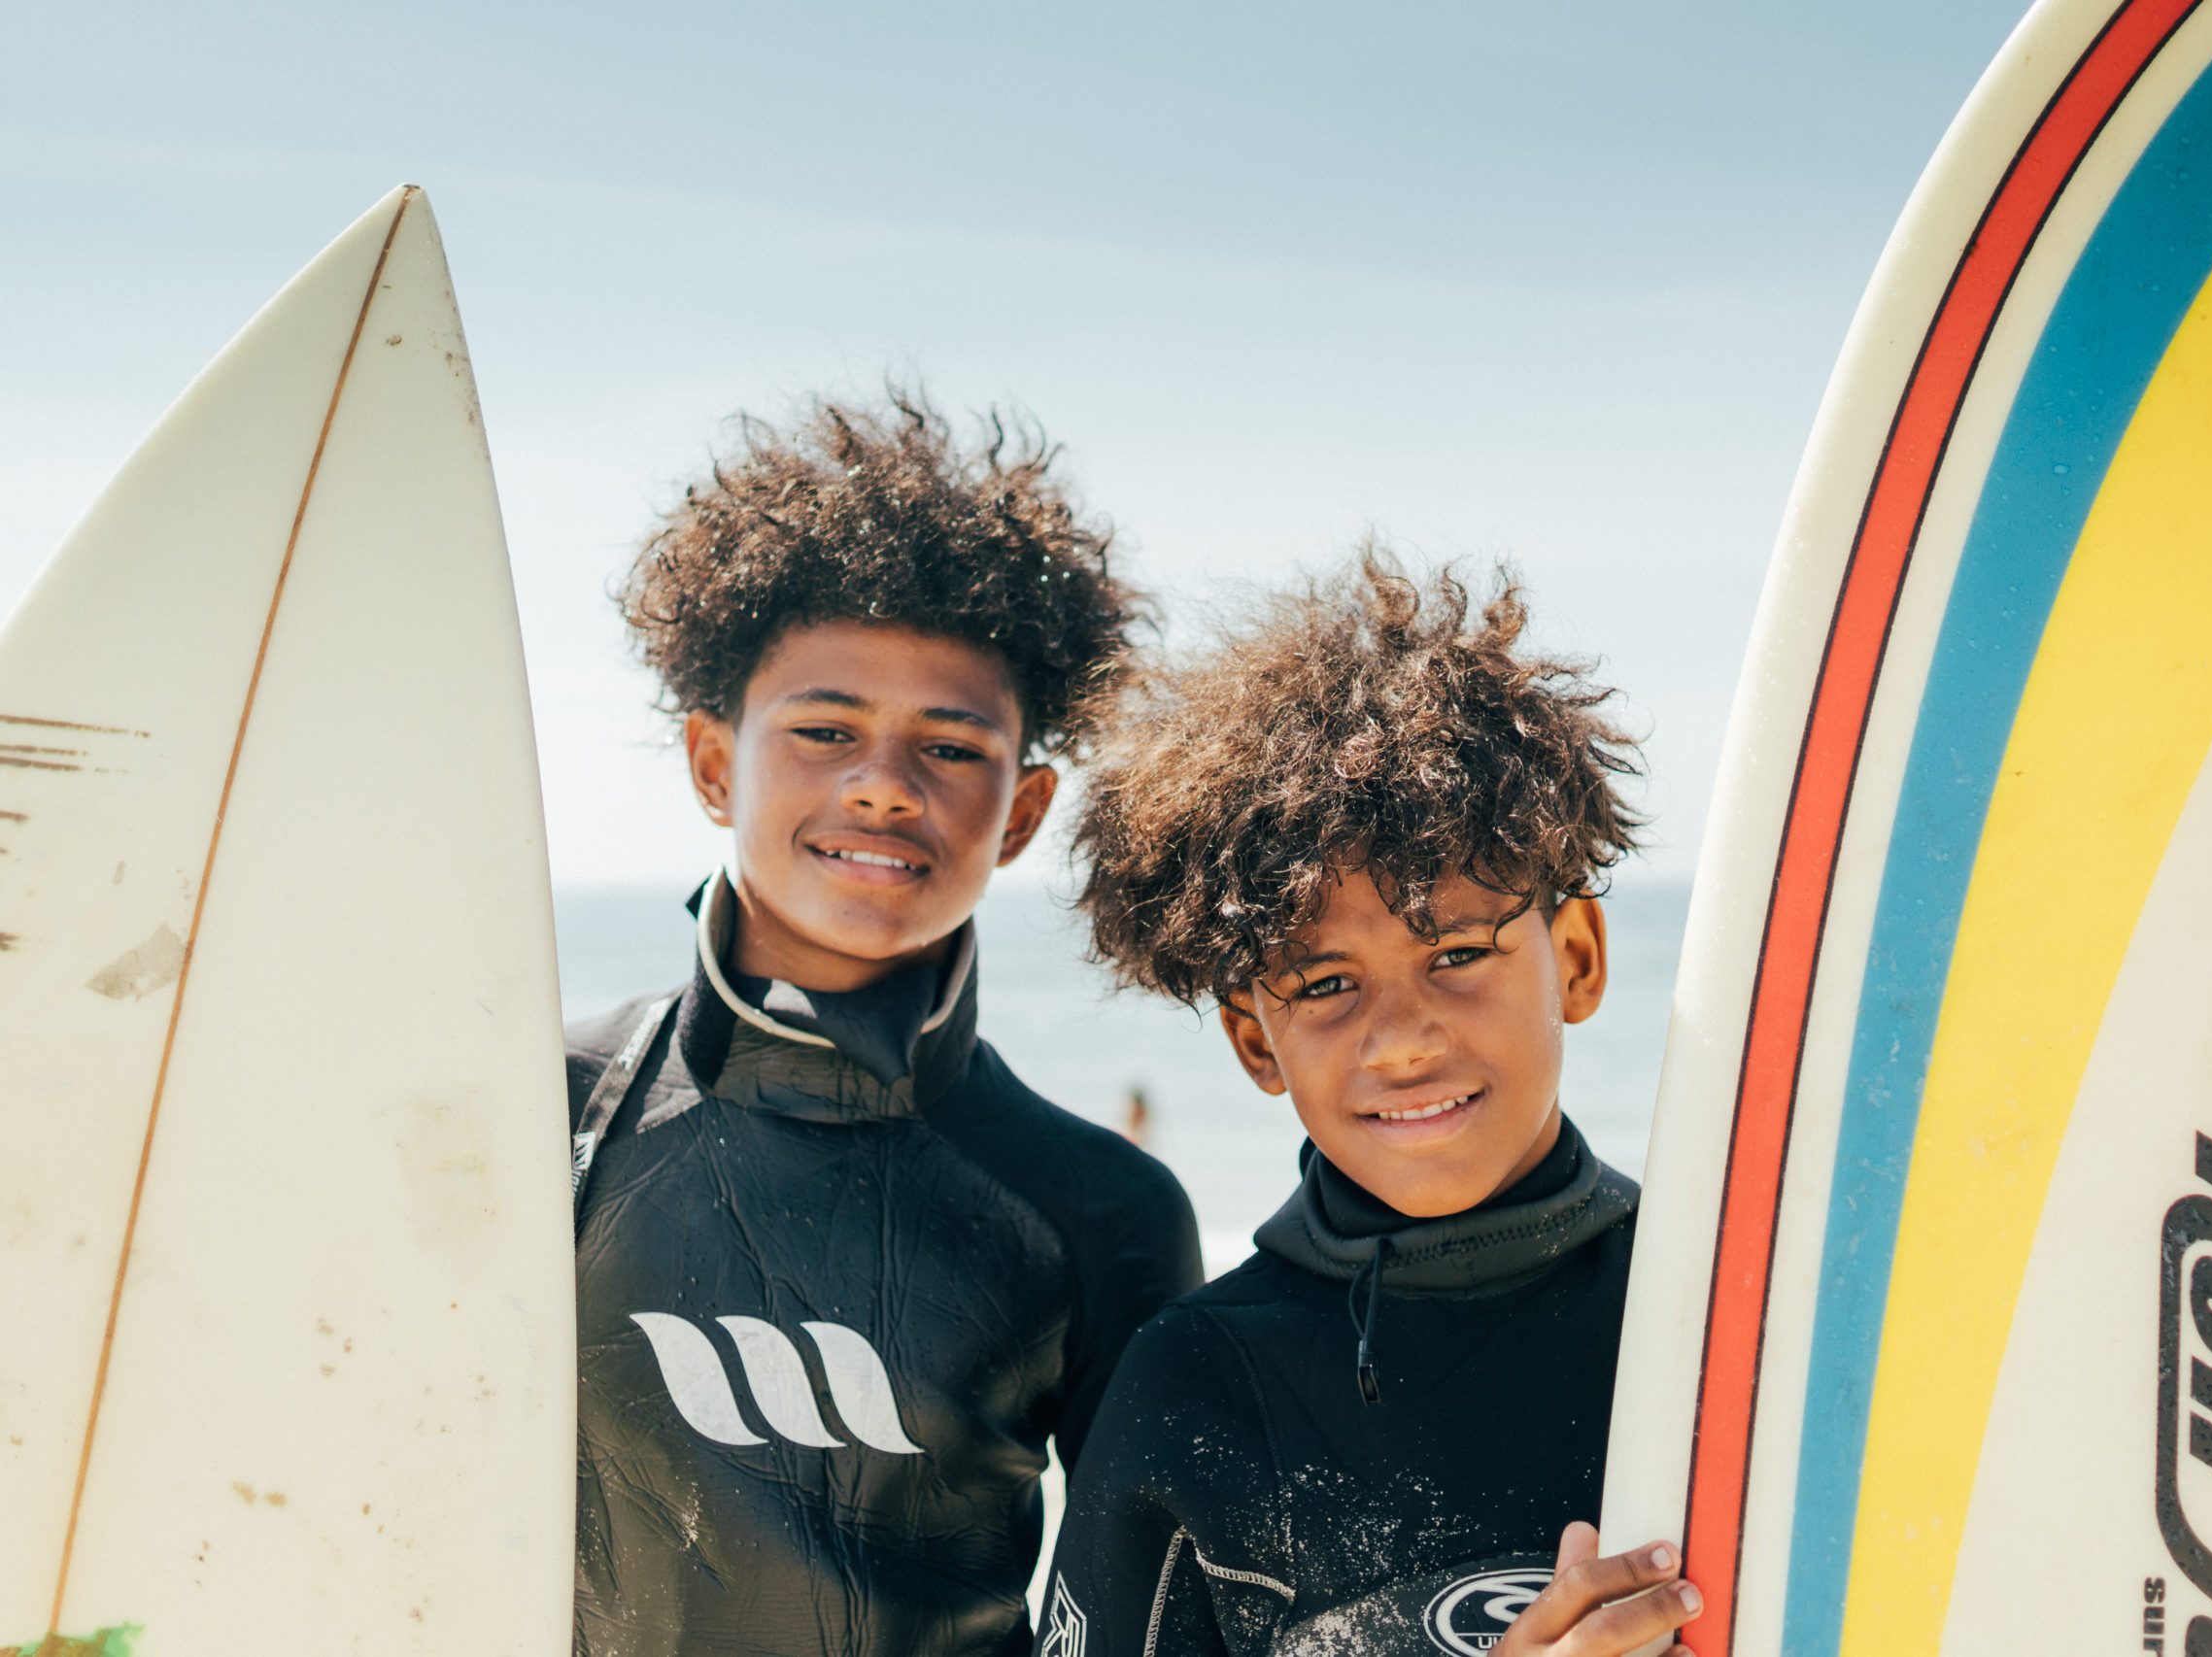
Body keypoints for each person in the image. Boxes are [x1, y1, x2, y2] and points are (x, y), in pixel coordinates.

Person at [568, 393, 1203, 1656]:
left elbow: (1161, 1619)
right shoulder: (546, 1107)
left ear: (1022, 814)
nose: (881, 782)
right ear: (713, 764)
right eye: (823, 730)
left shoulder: (1101, 1210)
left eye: (951, 748)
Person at [1039, 550, 1700, 1656]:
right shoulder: (1200, 1387)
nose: (1400, 1041)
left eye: (1454, 951)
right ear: (1257, 1039)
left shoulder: (1726, 1309)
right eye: (1326, 984)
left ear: (1577, 957)